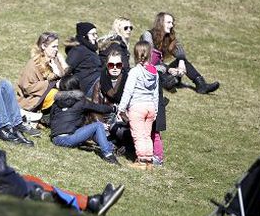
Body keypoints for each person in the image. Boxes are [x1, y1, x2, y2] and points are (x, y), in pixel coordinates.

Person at [0, 124, 125, 216]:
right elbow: (7, 173)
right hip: (12, 192)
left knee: (32, 180)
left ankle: (88, 202)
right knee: (36, 183)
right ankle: (92, 203)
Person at [140, 12, 220, 94]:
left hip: (161, 69)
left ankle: (201, 85)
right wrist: (168, 69)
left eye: (172, 23)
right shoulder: (148, 35)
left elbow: (178, 49)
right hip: (149, 70)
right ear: (160, 23)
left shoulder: (167, 37)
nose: (171, 25)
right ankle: (169, 81)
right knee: (164, 76)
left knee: (182, 61)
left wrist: (181, 61)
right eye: (168, 22)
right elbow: (150, 62)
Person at [49, 76, 119, 165]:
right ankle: (108, 154)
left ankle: (110, 146)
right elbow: (99, 108)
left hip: (55, 139)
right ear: (77, 86)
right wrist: (113, 109)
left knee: (91, 130)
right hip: (67, 139)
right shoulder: (81, 101)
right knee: (98, 125)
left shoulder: (56, 102)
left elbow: (51, 119)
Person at [118, 41, 159, 170]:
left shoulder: (135, 71)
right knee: (147, 135)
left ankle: (141, 161)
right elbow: (156, 93)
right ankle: (148, 161)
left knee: (138, 135)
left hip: (137, 107)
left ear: (136, 55)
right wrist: (156, 109)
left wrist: (121, 108)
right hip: (150, 107)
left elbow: (128, 91)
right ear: (149, 54)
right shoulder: (155, 72)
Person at [16, 31, 67, 113]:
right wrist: (52, 83)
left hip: (53, 97)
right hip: (33, 99)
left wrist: (63, 64)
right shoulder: (33, 64)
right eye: (53, 47)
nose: (56, 49)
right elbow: (27, 87)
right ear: (43, 46)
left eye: (57, 47)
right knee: (55, 94)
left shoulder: (55, 61)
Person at [64, 22, 101, 96]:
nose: (96, 36)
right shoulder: (78, 50)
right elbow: (66, 69)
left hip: (97, 81)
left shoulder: (90, 49)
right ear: (84, 36)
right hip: (89, 86)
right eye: (93, 34)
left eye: (96, 34)